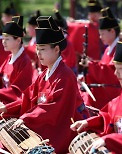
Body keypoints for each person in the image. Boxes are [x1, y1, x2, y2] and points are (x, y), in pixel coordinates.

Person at [0, 16, 87, 153]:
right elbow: (28, 99)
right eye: (37, 49)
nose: (38, 54)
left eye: (43, 49)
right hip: (45, 129)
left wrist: (27, 118)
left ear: (56, 49)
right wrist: (7, 109)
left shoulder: (65, 75)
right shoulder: (44, 75)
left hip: (61, 133)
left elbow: (54, 107)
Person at [80, 7, 121, 109]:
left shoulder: (120, 49)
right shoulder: (108, 50)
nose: (100, 37)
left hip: (114, 93)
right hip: (106, 90)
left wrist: (90, 65)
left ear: (112, 31)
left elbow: (111, 72)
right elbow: (103, 66)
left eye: (102, 34)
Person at [0, 16, 33, 104]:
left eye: (7, 39)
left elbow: (18, 91)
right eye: (3, 39)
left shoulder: (25, 62)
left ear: (18, 40)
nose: (3, 42)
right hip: (4, 100)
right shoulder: (9, 57)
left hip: (15, 105)